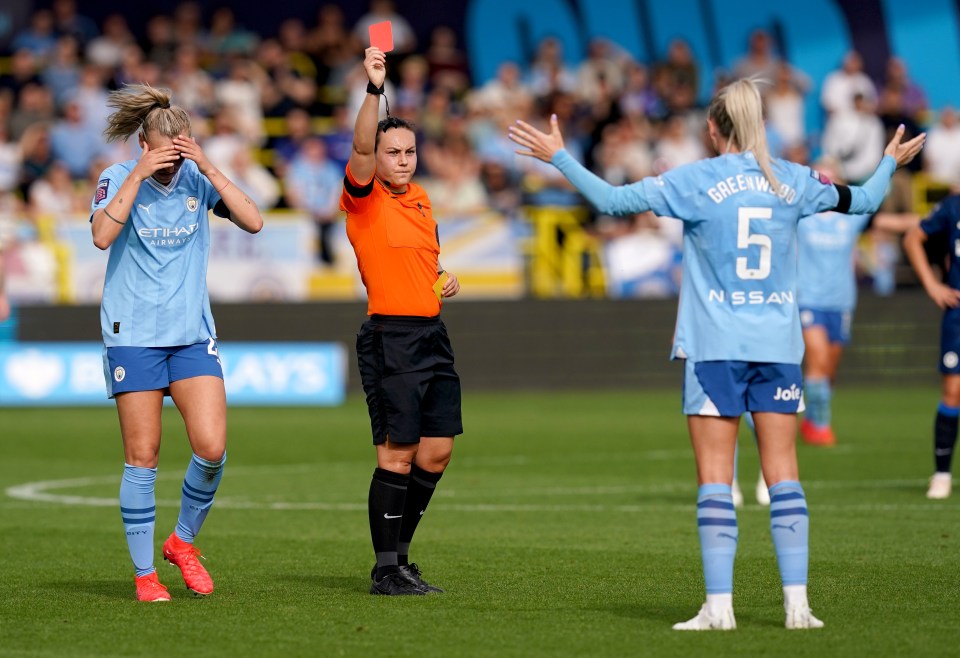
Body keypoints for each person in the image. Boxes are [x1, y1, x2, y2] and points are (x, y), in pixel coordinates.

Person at [509, 78, 924, 630]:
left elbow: (611, 201)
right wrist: (890, 162)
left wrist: (559, 155)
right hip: (778, 347)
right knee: (785, 476)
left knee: (714, 477)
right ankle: (798, 607)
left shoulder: (695, 181)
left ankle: (720, 608)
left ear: (712, 128)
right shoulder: (795, 180)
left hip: (715, 349)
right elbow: (865, 201)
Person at [90, 83, 263, 602]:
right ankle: (145, 576)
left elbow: (254, 220)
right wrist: (142, 172)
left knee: (211, 449)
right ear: (145, 145)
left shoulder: (197, 177)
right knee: (142, 458)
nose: (171, 167)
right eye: (161, 157)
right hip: (134, 336)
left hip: (191, 335)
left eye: (178, 155)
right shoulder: (118, 177)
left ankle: (182, 543)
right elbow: (100, 236)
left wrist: (207, 167)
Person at [341, 46, 462, 596]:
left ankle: (401, 559)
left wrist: (443, 279)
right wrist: (373, 89)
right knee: (397, 453)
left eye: (410, 151)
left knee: (437, 450)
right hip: (390, 335)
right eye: (394, 152)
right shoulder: (364, 200)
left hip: (431, 333)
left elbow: (425, 262)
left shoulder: (422, 199)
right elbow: (361, 144)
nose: (404, 159)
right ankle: (385, 568)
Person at [903, 197, 960, 499]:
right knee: (952, 390)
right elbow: (913, 238)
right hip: (958, 316)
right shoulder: (952, 207)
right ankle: (941, 474)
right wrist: (932, 285)